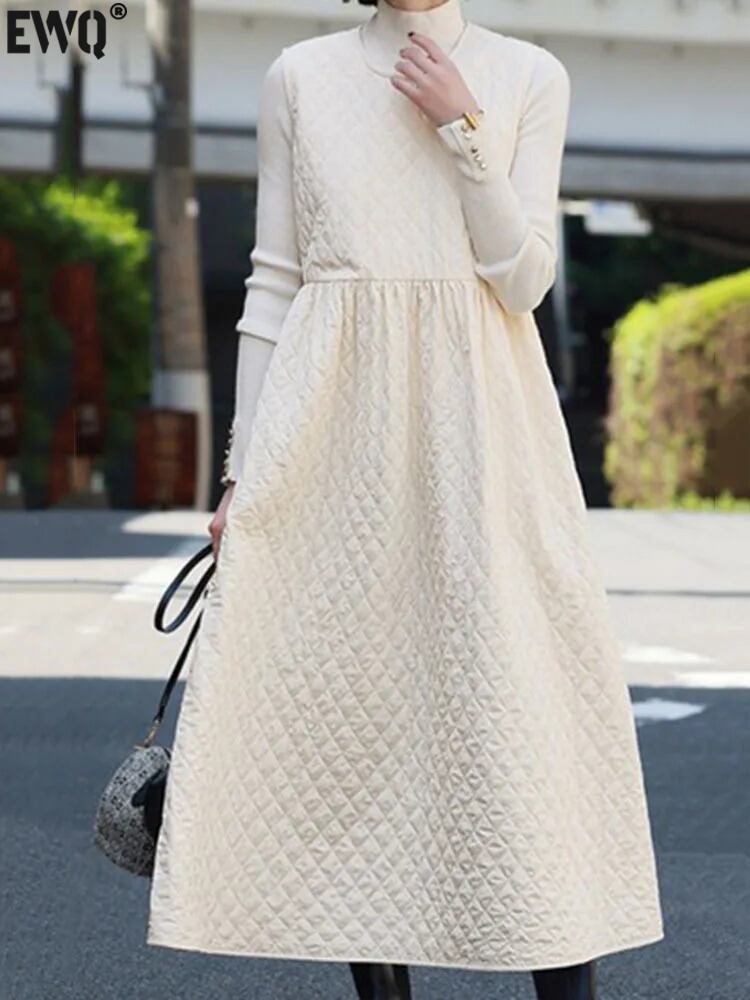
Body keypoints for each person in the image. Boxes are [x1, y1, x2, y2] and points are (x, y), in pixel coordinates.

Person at [145, 2, 665, 998]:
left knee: (518, 710)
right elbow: (273, 284)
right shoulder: (300, 77)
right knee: (355, 725)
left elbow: (523, 280)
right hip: (335, 436)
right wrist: (242, 472)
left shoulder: (526, 76)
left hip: (486, 437)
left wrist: (465, 129)